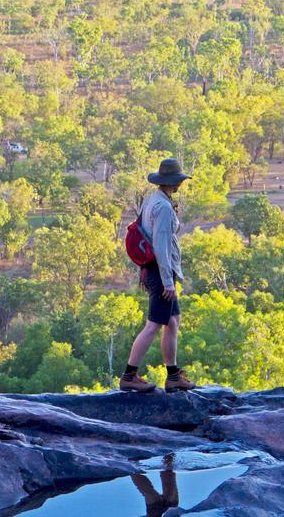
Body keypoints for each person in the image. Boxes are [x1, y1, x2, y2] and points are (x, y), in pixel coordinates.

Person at [120, 157, 197, 393]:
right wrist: (167, 282)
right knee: (154, 325)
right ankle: (129, 375)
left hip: (154, 269)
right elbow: (161, 246)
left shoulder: (152, 199)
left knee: (172, 321)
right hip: (160, 271)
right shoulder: (163, 207)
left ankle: (173, 375)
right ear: (174, 182)